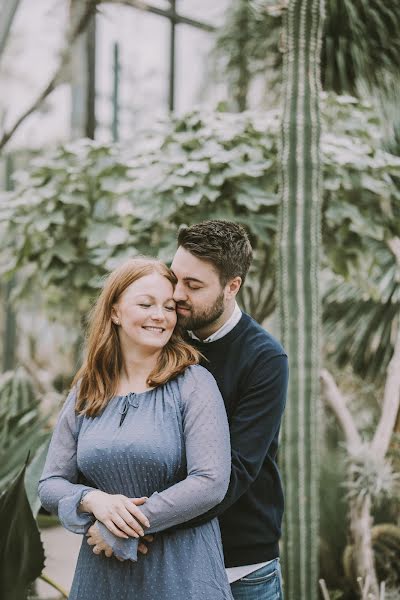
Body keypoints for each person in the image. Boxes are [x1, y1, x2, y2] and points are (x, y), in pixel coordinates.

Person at [87, 221, 289, 600]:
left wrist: (129, 528)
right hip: (165, 555)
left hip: (239, 562)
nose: (176, 295)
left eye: (193, 286)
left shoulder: (265, 359)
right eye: (175, 278)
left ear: (232, 287)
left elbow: (233, 473)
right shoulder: (163, 335)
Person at [38, 257, 234, 600]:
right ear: (115, 311)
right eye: (146, 304)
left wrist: (123, 527)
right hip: (103, 576)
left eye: (169, 306)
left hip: (181, 573)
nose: (160, 315)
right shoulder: (88, 388)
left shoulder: (194, 383)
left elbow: (210, 482)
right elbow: (51, 484)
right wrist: (92, 500)